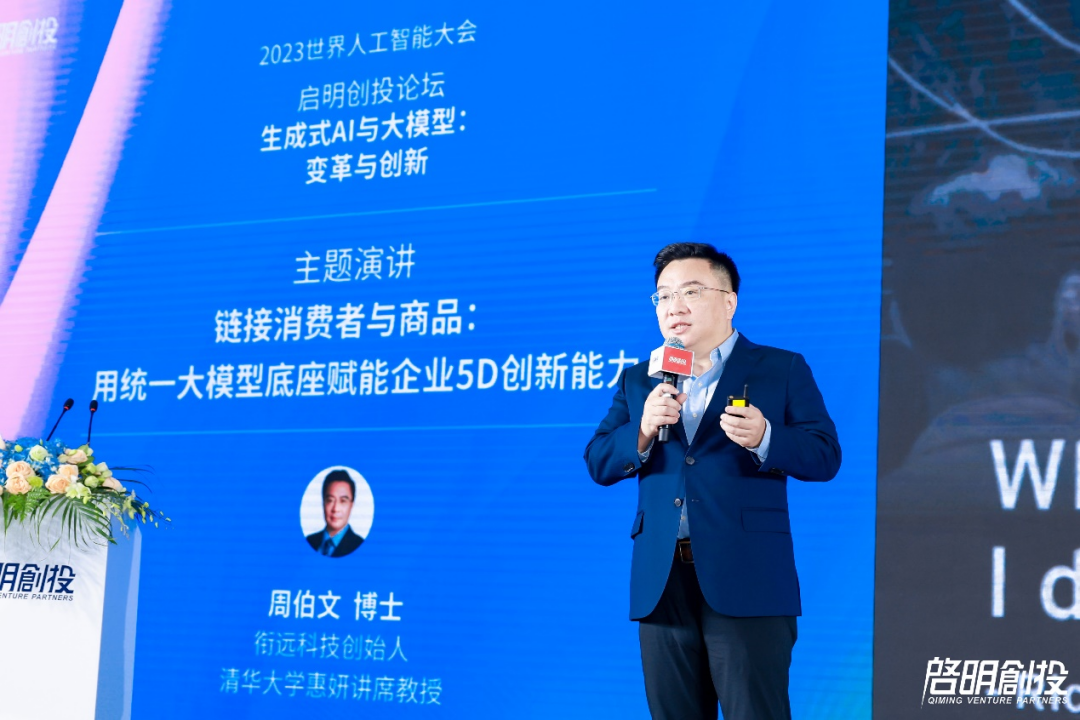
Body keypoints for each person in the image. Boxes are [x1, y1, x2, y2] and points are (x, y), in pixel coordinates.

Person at [584, 243, 841, 720]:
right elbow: (598, 461)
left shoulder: (780, 368)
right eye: (663, 296)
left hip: (749, 577)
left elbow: (825, 455)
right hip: (662, 582)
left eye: (690, 292)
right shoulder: (640, 379)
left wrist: (766, 437)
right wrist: (642, 430)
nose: (674, 307)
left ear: (729, 301)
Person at [306, 469, 365, 558]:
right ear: (323, 503)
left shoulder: (360, 546)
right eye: (330, 500)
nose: (335, 509)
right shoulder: (308, 541)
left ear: (351, 505)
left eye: (343, 501)